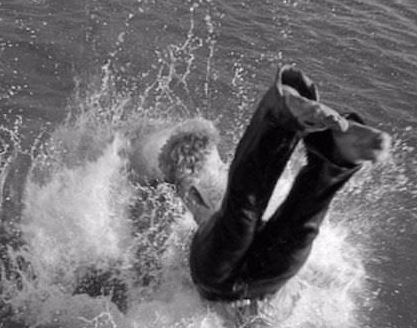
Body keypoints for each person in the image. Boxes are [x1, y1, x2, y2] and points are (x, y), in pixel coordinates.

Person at [159, 65, 391, 302]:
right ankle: (327, 153)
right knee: (274, 224)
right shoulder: (204, 192)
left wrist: (178, 184)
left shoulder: (194, 201)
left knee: (284, 227)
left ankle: (330, 157)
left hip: (231, 280)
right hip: (253, 282)